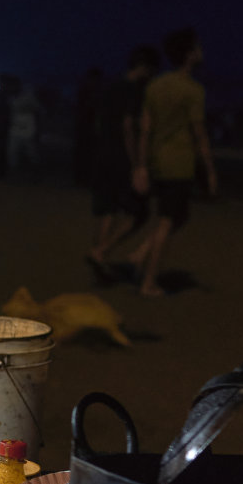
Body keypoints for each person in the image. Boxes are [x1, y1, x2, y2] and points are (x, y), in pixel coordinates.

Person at [132, 26, 216, 297]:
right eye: (198, 47)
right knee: (168, 221)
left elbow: (145, 129)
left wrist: (141, 166)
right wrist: (210, 170)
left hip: (157, 161)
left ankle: (140, 254)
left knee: (177, 216)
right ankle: (149, 282)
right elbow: (199, 134)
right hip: (179, 163)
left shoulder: (155, 85)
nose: (201, 52)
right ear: (189, 54)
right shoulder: (193, 90)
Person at [85, 45, 159, 277]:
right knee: (139, 213)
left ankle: (99, 255)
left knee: (108, 208)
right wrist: (136, 164)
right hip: (120, 157)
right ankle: (101, 250)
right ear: (144, 67)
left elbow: (98, 122)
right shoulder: (133, 90)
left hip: (103, 153)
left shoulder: (110, 87)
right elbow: (128, 126)